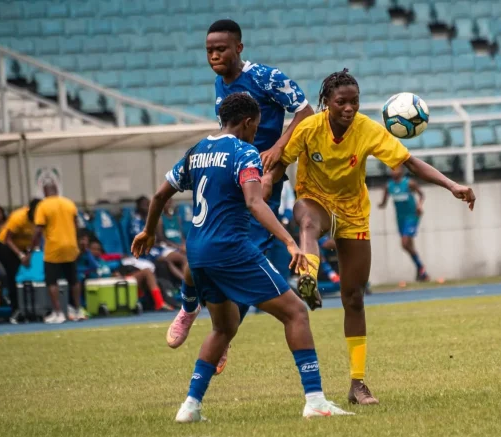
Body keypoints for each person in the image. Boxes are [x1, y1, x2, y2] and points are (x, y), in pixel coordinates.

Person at [132, 92, 351, 421]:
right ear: (248, 123)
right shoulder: (244, 151)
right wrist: (290, 242)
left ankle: (190, 406)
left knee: (224, 328)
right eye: (256, 128)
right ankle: (316, 400)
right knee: (296, 313)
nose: (256, 134)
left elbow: (161, 194)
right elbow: (254, 203)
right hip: (231, 250)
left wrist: (149, 231)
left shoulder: (197, 151)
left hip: (199, 254)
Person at [263, 69, 476, 405]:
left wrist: (452, 185)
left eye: (355, 102)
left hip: (352, 214)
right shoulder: (308, 128)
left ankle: (357, 384)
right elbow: (279, 165)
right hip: (314, 201)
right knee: (306, 222)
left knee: (354, 298)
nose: (349, 108)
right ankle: (308, 276)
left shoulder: (367, 130)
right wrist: (265, 184)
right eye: (341, 102)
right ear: (326, 103)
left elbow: (410, 162)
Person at [165, 18, 314, 352]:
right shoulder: (220, 85)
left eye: (221, 49)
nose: (214, 55)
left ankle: (223, 337)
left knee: (246, 256)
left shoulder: (266, 77)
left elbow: (306, 111)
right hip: (227, 179)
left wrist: (277, 148)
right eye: (209, 50)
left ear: (239, 48)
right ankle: (189, 307)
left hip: (261, 179)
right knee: (207, 246)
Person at [28, 183, 85, 324]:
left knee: (52, 281)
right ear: (57, 190)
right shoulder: (69, 203)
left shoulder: (43, 205)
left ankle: (58, 313)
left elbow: (38, 229)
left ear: (44, 192)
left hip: (53, 247)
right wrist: (77, 242)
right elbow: (76, 224)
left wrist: (31, 248)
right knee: (73, 279)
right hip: (70, 246)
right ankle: (78, 310)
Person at [378, 165, 429, 281]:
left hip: (411, 217)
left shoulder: (409, 183)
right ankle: (421, 271)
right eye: (391, 169)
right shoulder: (388, 186)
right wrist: (380, 205)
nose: (393, 171)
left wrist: (419, 206)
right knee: (409, 246)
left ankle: (421, 268)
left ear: (402, 170)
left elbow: (421, 194)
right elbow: (384, 202)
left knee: (404, 243)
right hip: (400, 219)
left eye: (396, 169)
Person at [0, 199, 40, 324]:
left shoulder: (41, 219)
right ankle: (16, 310)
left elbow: (37, 237)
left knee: (30, 276)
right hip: (6, 247)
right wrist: (21, 256)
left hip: (24, 248)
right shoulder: (19, 217)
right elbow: (7, 239)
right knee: (15, 276)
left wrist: (30, 254)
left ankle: (30, 309)